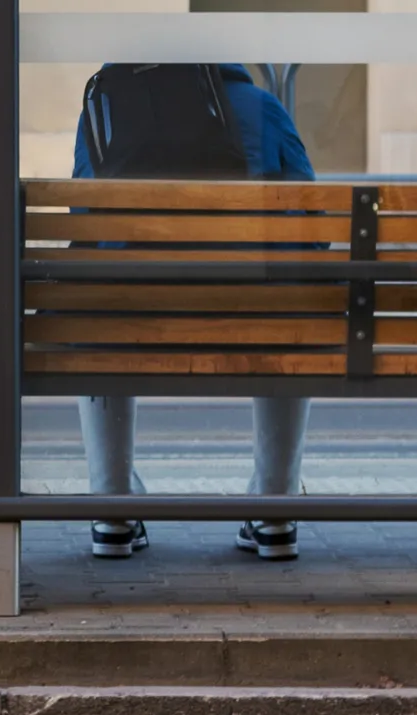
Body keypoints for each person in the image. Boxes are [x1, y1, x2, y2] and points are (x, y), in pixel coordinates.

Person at [70, 63, 316, 560]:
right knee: (288, 313)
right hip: (248, 312)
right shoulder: (263, 106)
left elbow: (83, 212)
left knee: (97, 313)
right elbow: (310, 215)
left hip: (130, 314)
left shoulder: (107, 106)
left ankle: (112, 504)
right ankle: (274, 506)